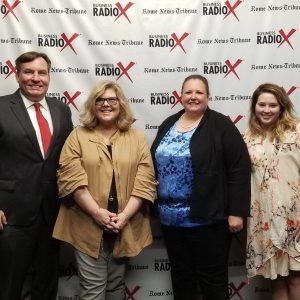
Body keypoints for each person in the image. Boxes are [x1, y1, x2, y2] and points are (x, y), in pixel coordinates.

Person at [52, 80, 157, 300]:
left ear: (121, 104)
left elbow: (145, 181)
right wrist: (97, 213)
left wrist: (124, 216)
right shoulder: (77, 137)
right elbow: (71, 180)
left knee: (116, 287)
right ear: (93, 105)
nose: (106, 104)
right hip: (86, 225)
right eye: (100, 100)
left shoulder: (137, 138)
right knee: (93, 291)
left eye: (111, 99)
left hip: (124, 227)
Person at [151, 74, 251, 300]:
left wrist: (237, 211)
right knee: (181, 280)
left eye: (199, 92)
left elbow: (239, 167)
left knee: (212, 283)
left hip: (208, 221)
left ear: (208, 96)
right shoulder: (169, 123)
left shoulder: (221, 125)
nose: (193, 97)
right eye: (188, 92)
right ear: (180, 96)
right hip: (171, 222)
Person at [0, 51, 73, 300]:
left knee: (46, 284)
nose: (35, 78)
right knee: (8, 285)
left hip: (53, 215)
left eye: (41, 72)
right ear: (17, 75)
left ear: (49, 77)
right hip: (11, 215)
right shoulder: (1, 107)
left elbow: (68, 159)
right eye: (29, 72)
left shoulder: (62, 111)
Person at [244, 83, 300, 300]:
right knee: (275, 277)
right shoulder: (248, 136)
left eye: (272, 105)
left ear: (281, 107)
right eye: (261, 105)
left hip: (294, 217)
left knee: (296, 277)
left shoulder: (296, 131)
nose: (266, 110)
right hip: (264, 218)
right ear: (254, 106)